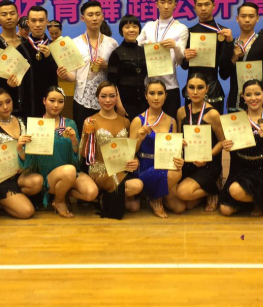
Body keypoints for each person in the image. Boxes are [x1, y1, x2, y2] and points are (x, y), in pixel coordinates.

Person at [22, 86, 99, 217]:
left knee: (91, 193)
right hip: (47, 176)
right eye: (52, 100)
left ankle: (63, 190)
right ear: (44, 101)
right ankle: (59, 201)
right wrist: (20, 147)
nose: (56, 105)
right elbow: (29, 161)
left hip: (70, 172)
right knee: (69, 170)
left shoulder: (70, 124)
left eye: (60, 101)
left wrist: (74, 140)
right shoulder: (35, 125)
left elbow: (77, 159)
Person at [219, 79, 263, 217]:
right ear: (243, 96)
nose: (253, 98)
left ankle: (262, 199)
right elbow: (236, 154)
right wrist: (228, 147)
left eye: (257, 94)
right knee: (225, 210)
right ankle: (255, 201)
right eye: (248, 95)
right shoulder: (236, 121)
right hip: (242, 168)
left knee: (236, 190)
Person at [0, 88, 44, 219]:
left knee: (38, 181)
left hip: (22, 173)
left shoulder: (21, 121)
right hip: (4, 180)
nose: (5, 107)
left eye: (8, 101)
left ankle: (15, 199)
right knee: (27, 212)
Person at [80, 81, 143, 214]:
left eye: (112, 96)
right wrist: (86, 134)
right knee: (135, 188)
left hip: (120, 168)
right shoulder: (91, 121)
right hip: (100, 170)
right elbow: (84, 153)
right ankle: (109, 197)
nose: (108, 100)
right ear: (97, 97)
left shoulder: (125, 121)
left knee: (134, 204)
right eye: (103, 96)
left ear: (117, 97)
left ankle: (105, 198)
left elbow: (130, 150)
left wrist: (135, 160)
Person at [58, 1, 119, 135]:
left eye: (98, 14)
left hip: (106, 99)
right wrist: (65, 75)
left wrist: (106, 66)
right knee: (83, 137)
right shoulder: (74, 43)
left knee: (106, 136)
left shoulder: (112, 43)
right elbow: (72, 76)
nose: (94, 18)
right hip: (82, 99)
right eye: (90, 15)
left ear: (103, 17)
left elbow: (117, 72)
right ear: (83, 18)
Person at [130, 80, 183, 218]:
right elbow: (129, 153)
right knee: (175, 174)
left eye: (160, 93)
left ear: (166, 95)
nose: (156, 97)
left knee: (179, 208)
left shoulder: (172, 121)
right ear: (146, 96)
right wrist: (140, 138)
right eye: (152, 93)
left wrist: (180, 157)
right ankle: (155, 199)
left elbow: (175, 151)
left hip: (164, 165)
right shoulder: (138, 120)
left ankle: (154, 194)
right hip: (144, 168)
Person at [176, 72, 227, 212]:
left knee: (183, 193)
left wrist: (207, 157)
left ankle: (214, 190)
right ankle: (205, 191)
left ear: (207, 89)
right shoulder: (181, 112)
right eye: (191, 87)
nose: (195, 92)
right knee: (187, 204)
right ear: (186, 89)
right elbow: (179, 137)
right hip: (188, 162)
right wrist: (180, 141)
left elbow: (222, 142)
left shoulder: (213, 114)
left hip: (208, 163)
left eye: (200, 87)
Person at [137, 0, 189, 116]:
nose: (166, 6)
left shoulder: (181, 28)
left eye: (170, 2)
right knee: (148, 124)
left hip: (170, 86)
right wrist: (145, 44)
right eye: (163, 2)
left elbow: (180, 61)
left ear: (175, 5)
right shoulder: (149, 26)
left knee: (171, 124)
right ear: (157, 4)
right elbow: (135, 45)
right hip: (148, 85)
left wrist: (175, 46)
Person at [181, 0, 234, 114]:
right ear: (194, 8)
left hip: (213, 89)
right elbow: (184, 66)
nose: (203, 8)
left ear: (214, 5)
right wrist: (186, 58)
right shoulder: (188, 32)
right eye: (199, 5)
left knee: (214, 125)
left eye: (207, 4)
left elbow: (224, 72)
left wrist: (229, 43)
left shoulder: (223, 33)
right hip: (192, 89)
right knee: (190, 125)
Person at [219, 2, 263, 112]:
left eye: (251, 16)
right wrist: (233, 59)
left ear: (257, 18)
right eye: (243, 16)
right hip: (234, 101)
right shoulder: (231, 44)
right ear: (237, 18)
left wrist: (257, 89)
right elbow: (223, 74)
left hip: (256, 101)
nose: (247, 20)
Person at [18, 5, 59, 119]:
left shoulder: (55, 46)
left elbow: (62, 73)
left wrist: (49, 57)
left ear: (47, 22)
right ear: (28, 23)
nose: (37, 24)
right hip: (28, 106)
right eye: (33, 21)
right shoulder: (20, 49)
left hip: (51, 105)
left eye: (41, 20)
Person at [108, 15, 148, 119]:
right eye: (127, 27)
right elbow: (112, 83)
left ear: (139, 30)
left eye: (135, 26)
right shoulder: (116, 53)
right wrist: (118, 105)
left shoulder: (144, 51)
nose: (131, 30)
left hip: (143, 103)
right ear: (122, 31)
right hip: (124, 104)